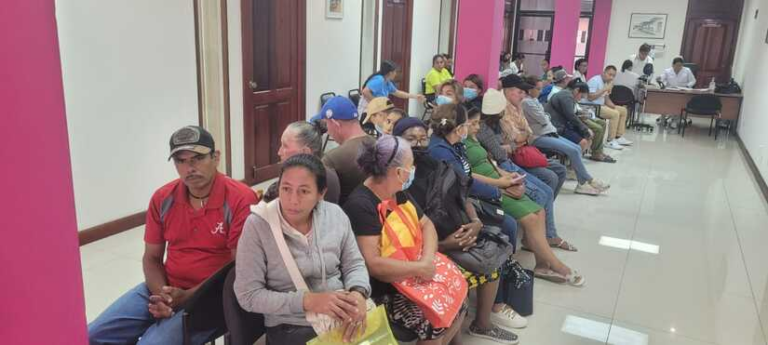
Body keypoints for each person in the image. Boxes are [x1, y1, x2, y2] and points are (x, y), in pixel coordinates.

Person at [88, 126, 259, 345]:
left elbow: (239, 268)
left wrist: (187, 297)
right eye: (181, 160)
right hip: (164, 287)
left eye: (197, 158)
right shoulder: (163, 198)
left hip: (211, 297)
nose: (190, 167)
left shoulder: (240, 199)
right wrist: (164, 296)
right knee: (91, 335)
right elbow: (151, 258)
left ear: (215, 158)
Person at [393, 118, 525, 343]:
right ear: (396, 141)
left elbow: (462, 196)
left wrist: (475, 222)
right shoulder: (397, 180)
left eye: (423, 139)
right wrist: (444, 245)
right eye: (410, 140)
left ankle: (482, 324)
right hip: (423, 248)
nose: (418, 144)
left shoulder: (437, 165)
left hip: (456, 231)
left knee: (493, 257)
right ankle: (454, 338)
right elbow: (405, 233)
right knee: (456, 279)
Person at [429, 104, 585, 287]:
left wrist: (505, 178)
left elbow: (475, 168)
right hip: (471, 197)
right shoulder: (441, 150)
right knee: (522, 220)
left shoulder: (456, 144)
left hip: (488, 185)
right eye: (470, 123)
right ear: (459, 127)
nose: (476, 127)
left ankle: (542, 264)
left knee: (539, 209)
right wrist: (500, 188)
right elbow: (466, 181)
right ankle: (555, 266)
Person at [343, 135, 468, 344]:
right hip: (385, 290)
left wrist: (426, 261)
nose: (413, 171)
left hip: (414, 270)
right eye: (411, 166)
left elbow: (426, 224)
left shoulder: (397, 191)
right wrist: (420, 268)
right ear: (399, 172)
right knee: (433, 322)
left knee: (459, 298)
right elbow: (373, 265)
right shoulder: (361, 205)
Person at [234, 154, 370, 344]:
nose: (293, 200)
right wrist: (309, 301)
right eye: (286, 189)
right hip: (290, 326)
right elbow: (248, 295)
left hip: (339, 314)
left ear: (321, 194)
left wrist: (358, 293)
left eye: (304, 191)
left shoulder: (335, 215)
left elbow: (354, 263)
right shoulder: (258, 225)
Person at [478, 88, 574, 249]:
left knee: (553, 178)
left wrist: (513, 144)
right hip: (505, 165)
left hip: (511, 160)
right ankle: (541, 237)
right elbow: (501, 152)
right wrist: (513, 145)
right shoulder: (484, 128)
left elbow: (526, 134)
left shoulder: (500, 121)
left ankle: (543, 234)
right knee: (544, 190)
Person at [523, 75, 610, 201]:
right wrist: (546, 118)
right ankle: (589, 180)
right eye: (538, 89)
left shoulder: (535, 100)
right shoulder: (527, 102)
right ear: (530, 89)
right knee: (576, 148)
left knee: (576, 147)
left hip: (550, 131)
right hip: (539, 135)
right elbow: (544, 118)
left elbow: (546, 117)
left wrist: (546, 118)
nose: (541, 91)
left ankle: (581, 182)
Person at [499, 74, 567, 197]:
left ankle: (546, 209)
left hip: (527, 150)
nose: (523, 95)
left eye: (524, 92)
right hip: (515, 156)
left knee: (561, 169)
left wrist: (524, 135)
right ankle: (542, 209)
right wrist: (524, 135)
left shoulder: (518, 106)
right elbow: (518, 138)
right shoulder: (502, 109)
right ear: (508, 91)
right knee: (551, 177)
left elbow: (529, 133)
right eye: (520, 92)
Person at [546, 81, 612, 195]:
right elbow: (570, 116)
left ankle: (574, 168)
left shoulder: (566, 95)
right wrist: (585, 129)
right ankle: (580, 177)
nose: (580, 99)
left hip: (562, 126)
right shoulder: (565, 96)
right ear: (576, 90)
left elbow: (570, 115)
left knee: (588, 139)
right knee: (582, 142)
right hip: (557, 128)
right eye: (581, 96)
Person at [312, 96, 376, 205]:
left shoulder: (333, 159)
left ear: (335, 124)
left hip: (349, 218)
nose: (327, 131)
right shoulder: (378, 144)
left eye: (326, 124)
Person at [261, 121, 341, 204]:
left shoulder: (319, 181)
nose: (279, 152)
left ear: (305, 152)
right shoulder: (329, 174)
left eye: (285, 146)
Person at [585, 65, 633, 150]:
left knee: (623, 110)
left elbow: (606, 99)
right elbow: (590, 97)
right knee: (615, 114)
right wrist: (604, 89)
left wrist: (614, 106)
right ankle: (610, 141)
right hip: (592, 107)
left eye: (613, 75)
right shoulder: (595, 80)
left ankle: (618, 137)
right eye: (609, 74)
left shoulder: (607, 83)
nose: (611, 77)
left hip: (601, 105)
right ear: (604, 72)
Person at [359, 60, 425, 115]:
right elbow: (365, 91)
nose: (396, 74)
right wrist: (377, 103)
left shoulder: (387, 82)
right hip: (367, 110)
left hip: (376, 110)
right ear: (390, 73)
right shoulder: (379, 80)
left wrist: (415, 96)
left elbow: (397, 93)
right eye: (395, 72)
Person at [657, 57, 698, 129]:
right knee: (664, 102)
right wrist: (659, 78)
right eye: (677, 65)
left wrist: (688, 86)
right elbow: (662, 78)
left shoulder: (687, 70)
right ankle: (662, 119)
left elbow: (693, 80)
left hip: (682, 92)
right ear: (673, 65)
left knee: (678, 103)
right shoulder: (667, 71)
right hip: (670, 91)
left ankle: (674, 121)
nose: (679, 67)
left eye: (680, 65)